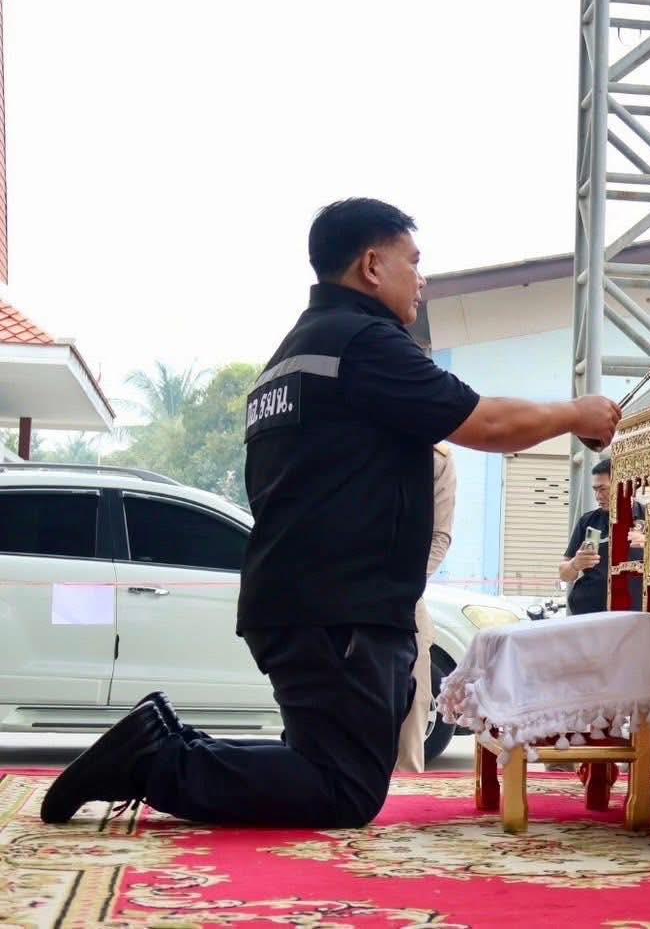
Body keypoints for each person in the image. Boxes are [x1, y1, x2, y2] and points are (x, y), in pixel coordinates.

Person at [41, 198, 620, 828]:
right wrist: (576, 414)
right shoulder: (365, 344)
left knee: (321, 761)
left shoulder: (290, 357)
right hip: (338, 606)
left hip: (303, 599)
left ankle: (160, 744)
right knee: (342, 789)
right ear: (373, 265)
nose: (422, 279)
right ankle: (154, 760)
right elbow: (487, 422)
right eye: (414, 261)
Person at [394, 442, 456, 774]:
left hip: (403, 593)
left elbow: (439, 536)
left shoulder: (436, 457)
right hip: (346, 587)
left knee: (414, 698)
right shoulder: (354, 439)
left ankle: (407, 785)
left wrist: (404, 585)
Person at [559, 457, 645, 615]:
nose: (598, 496)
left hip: (635, 616)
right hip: (589, 615)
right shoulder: (588, 521)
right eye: (595, 490)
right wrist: (575, 564)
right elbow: (564, 574)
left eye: (603, 489)